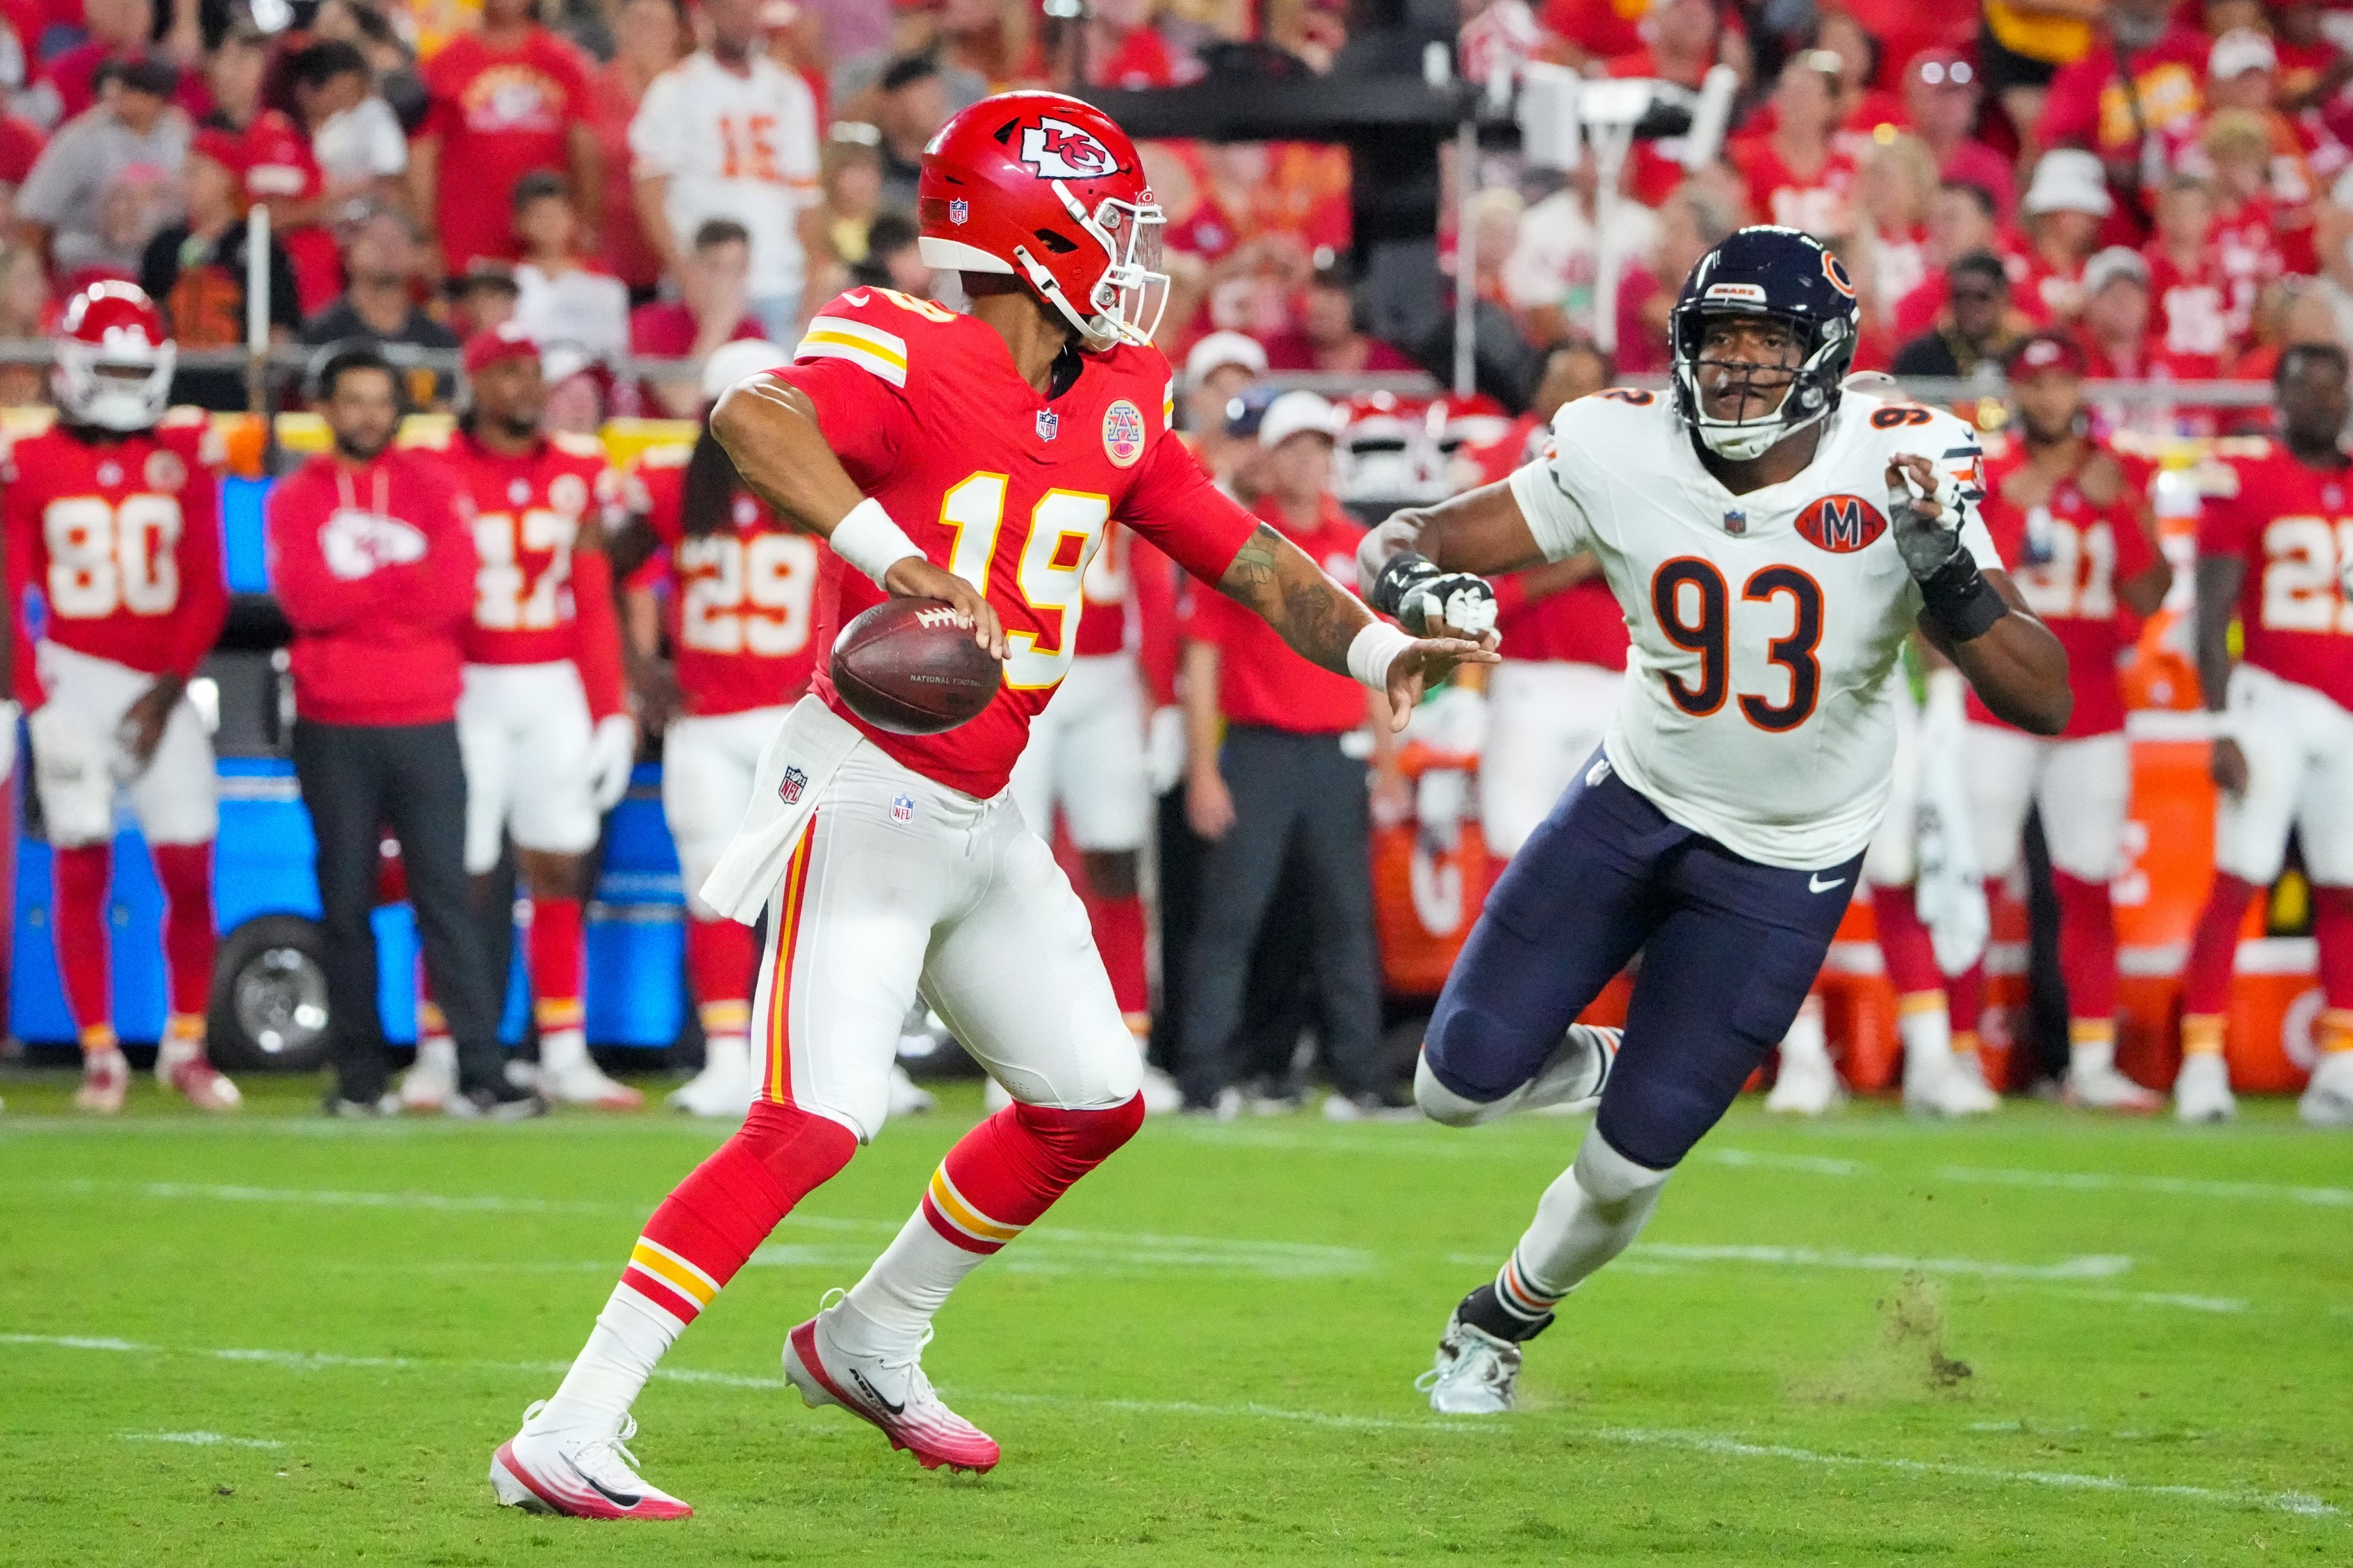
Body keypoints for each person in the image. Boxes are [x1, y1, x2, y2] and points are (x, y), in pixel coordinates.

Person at [488, 90, 1490, 1517]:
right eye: (1111, 220)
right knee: (813, 1122)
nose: (1131, 250)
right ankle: (570, 1426)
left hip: (977, 812)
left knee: (1089, 1101)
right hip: (861, 786)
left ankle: (868, 1338)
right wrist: (891, 555)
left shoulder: (1120, 387)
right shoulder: (899, 342)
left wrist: (1383, 648)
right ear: (1037, 230)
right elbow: (748, 416)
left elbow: (1237, 549)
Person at [1356, 225, 2069, 1413]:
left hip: (1787, 860)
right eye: (1719, 338)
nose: (1738, 366)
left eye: (1770, 341)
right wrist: (1421, 582)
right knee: (1449, 1087)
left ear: (1827, 355)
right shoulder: (1619, 441)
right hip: (1633, 802)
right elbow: (1408, 533)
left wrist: (1945, 569)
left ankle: (1496, 1321)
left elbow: (2041, 693)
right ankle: (1634, 1064)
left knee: (1631, 1167)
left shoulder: (1897, 466)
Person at [266, 343, 540, 1121]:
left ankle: (481, 1074)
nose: (366, 415)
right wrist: (399, 585)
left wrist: (362, 591)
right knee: (345, 904)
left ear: (397, 409)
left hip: (424, 721)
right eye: (351, 401)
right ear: (324, 409)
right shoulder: (296, 496)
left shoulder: (432, 484)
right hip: (333, 724)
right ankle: (358, 1079)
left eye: (379, 401)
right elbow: (306, 600)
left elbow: (453, 592)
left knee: (446, 900)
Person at [0, 282, 236, 1113]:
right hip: (71, 673)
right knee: (82, 860)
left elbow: (208, 586)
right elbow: (7, 590)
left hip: (160, 681)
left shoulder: (185, 452)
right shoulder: (29, 461)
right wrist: (37, 701)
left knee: (189, 866)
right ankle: (100, 1052)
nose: (128, 384)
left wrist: (168, 686)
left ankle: (186, 1044)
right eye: (110, 366)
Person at [399, 325, 638, 1113]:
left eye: (532, 373)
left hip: (550, 685)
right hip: (463, 686)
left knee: (560, 865)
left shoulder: (579, 468)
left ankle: (563, 1049)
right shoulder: (430, 468)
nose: (526, 388)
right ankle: (440, 1048)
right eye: (507, 373)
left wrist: (611, 708)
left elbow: (595, 599)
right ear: (474, 384)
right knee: (453, 874)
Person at [1954, 333, 2172, 1111]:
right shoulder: (1989, 477)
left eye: (2060, 382)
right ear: (2015, 392)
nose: (2049, 398)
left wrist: (2123, 507)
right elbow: (1957, 591)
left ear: (2080, 387)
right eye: (2034, 383)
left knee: (2086, 882)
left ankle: (2090, 1060)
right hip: (1997, 699)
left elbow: (2149, 598)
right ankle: (1957, 1057)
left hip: (2092, 704)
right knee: (1971, 875)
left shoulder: (2119, 474)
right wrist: (2006, 522)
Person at [1176, 390, 1397, 1118]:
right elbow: (1201, 658)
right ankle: (1204, 1078)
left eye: (1320, 447)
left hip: (1336, 752)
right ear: (1269, 458)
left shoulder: (1355, 545)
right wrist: (1204, 768)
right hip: (1260, 749)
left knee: (1345, 920)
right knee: (1234, 917)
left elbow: (1374, 662)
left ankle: (1361, 1077)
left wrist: (1388, 764)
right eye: (1296, 448)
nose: (1309, 461)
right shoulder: (1243, 543)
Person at [609, 338, 811, 1116]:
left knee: (821, 893)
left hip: (802, 717)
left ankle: (832, 1056)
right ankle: (730, 1057)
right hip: (707, 721)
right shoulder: (673, 488)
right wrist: (638, 668)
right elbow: (604, 561)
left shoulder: (819, 483)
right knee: (712, 889)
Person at [2174, 343, 2353, 1127]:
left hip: (2345, 712)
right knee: (2238, 877)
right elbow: (2209, 616)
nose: (2321, 401)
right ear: (2278, 397)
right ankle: (2202, 1063)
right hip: (2271, 700)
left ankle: (2341, 1062)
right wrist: (2219, 723)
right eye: (2303, 387)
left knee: (2343, 887)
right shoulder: (2245, 476)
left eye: (2333, 387)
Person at [1465, 343, 1628, 858]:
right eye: (1563, 381)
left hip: (1615, 685)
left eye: (1589, 384)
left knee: (1601, 855)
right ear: (1537, 390)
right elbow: (1476, 595)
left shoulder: (1633, 472)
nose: (1575, 396)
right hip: (1529, 677)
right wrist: (1575, 567)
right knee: (1515, 841)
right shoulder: (1500, 463)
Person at [628, 0, 820, 343]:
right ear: (708, 15)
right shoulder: (675, 89)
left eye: (751, 11)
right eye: (733, 10)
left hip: (780, 279)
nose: (744, 21)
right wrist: (684, 272)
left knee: (778, 392)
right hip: (707, 281)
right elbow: (650, 191)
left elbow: (806, 196)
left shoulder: (789, 90)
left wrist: (811, 276)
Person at [410, 0, 600, 278]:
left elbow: (586, 150)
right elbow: (423, 155)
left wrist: (585, 224)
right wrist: (426, 238)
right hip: (465, 250)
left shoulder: (563, 61)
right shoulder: (445, 62)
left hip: (546, 253)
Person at [138, 126, 300, 410]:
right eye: (184, 174)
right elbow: (152, 314)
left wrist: (266, 377)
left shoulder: (259, 244)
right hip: (176, 389)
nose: (185, 184)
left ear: (226, 178)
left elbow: (280, 323)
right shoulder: (165, 244)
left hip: (236, 392)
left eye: (196, 173)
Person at [14, 55, 190, 281]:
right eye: (125, 86)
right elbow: (33, 218)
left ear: (158, 99)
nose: (126, 95)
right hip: (89, 273)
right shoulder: (82, 138)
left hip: (160, 277)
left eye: (137, 89)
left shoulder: (178, 136)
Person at [301, 204, 463, 410]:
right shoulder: (319, 331)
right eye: (375, 239)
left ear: (418, 256)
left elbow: (444, 409)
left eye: (397, 240)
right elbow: (311, 406)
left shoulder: (439, 338)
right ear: (349, 254)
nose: (387, 249)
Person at [627, 217, 766, 417]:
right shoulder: (651, 323)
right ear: (695, 268)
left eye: (738, 269)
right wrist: (717, 329)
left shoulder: (752, 331)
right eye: (716, 268)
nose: (726, 281)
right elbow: (683, 405)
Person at [510, 170, 630, 366]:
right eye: (539, 216)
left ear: (572, 218)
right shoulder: (509, 281)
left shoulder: (603, 282)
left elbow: (614, 345)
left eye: (556, 214)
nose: (548, 224)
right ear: (520, 222)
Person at [1891, 250, 2019, 381]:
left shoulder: (2024, 354)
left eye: (1982, 297)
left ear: (2004, 298)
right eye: (1959, 296)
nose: (1969, 306)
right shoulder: (1919, 357)